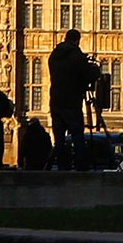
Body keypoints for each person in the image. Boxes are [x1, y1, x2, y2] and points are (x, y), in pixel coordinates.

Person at [49, 30, 97, 172]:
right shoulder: (76, 56)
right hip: (71, 101)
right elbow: (87, 75)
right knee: (77, 135)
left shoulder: (54, 55)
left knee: (59, 137)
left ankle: (63, 166)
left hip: (56, 101)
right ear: (77, 40)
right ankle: (81, 166)